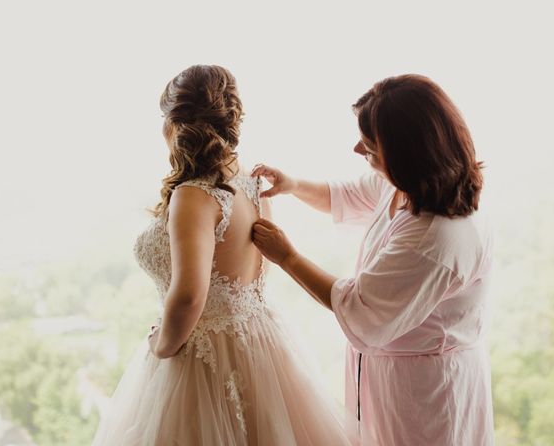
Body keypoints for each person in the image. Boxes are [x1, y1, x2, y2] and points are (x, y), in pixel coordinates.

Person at [92, 65, 355, 445]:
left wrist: (162, 346)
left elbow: (190, 296)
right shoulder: (250, 184)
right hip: (261, 345)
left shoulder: (194, 195)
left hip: (203, 359)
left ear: (175, 124)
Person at [252, 74, 494, 446]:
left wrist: (287, 257)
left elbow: (359, 308)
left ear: (406, 153)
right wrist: (293, 185)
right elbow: (346, 197)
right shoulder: (406, 186)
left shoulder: (435, 238)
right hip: (388, 379)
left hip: (425, 395)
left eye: (368, 145)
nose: (356, 150)